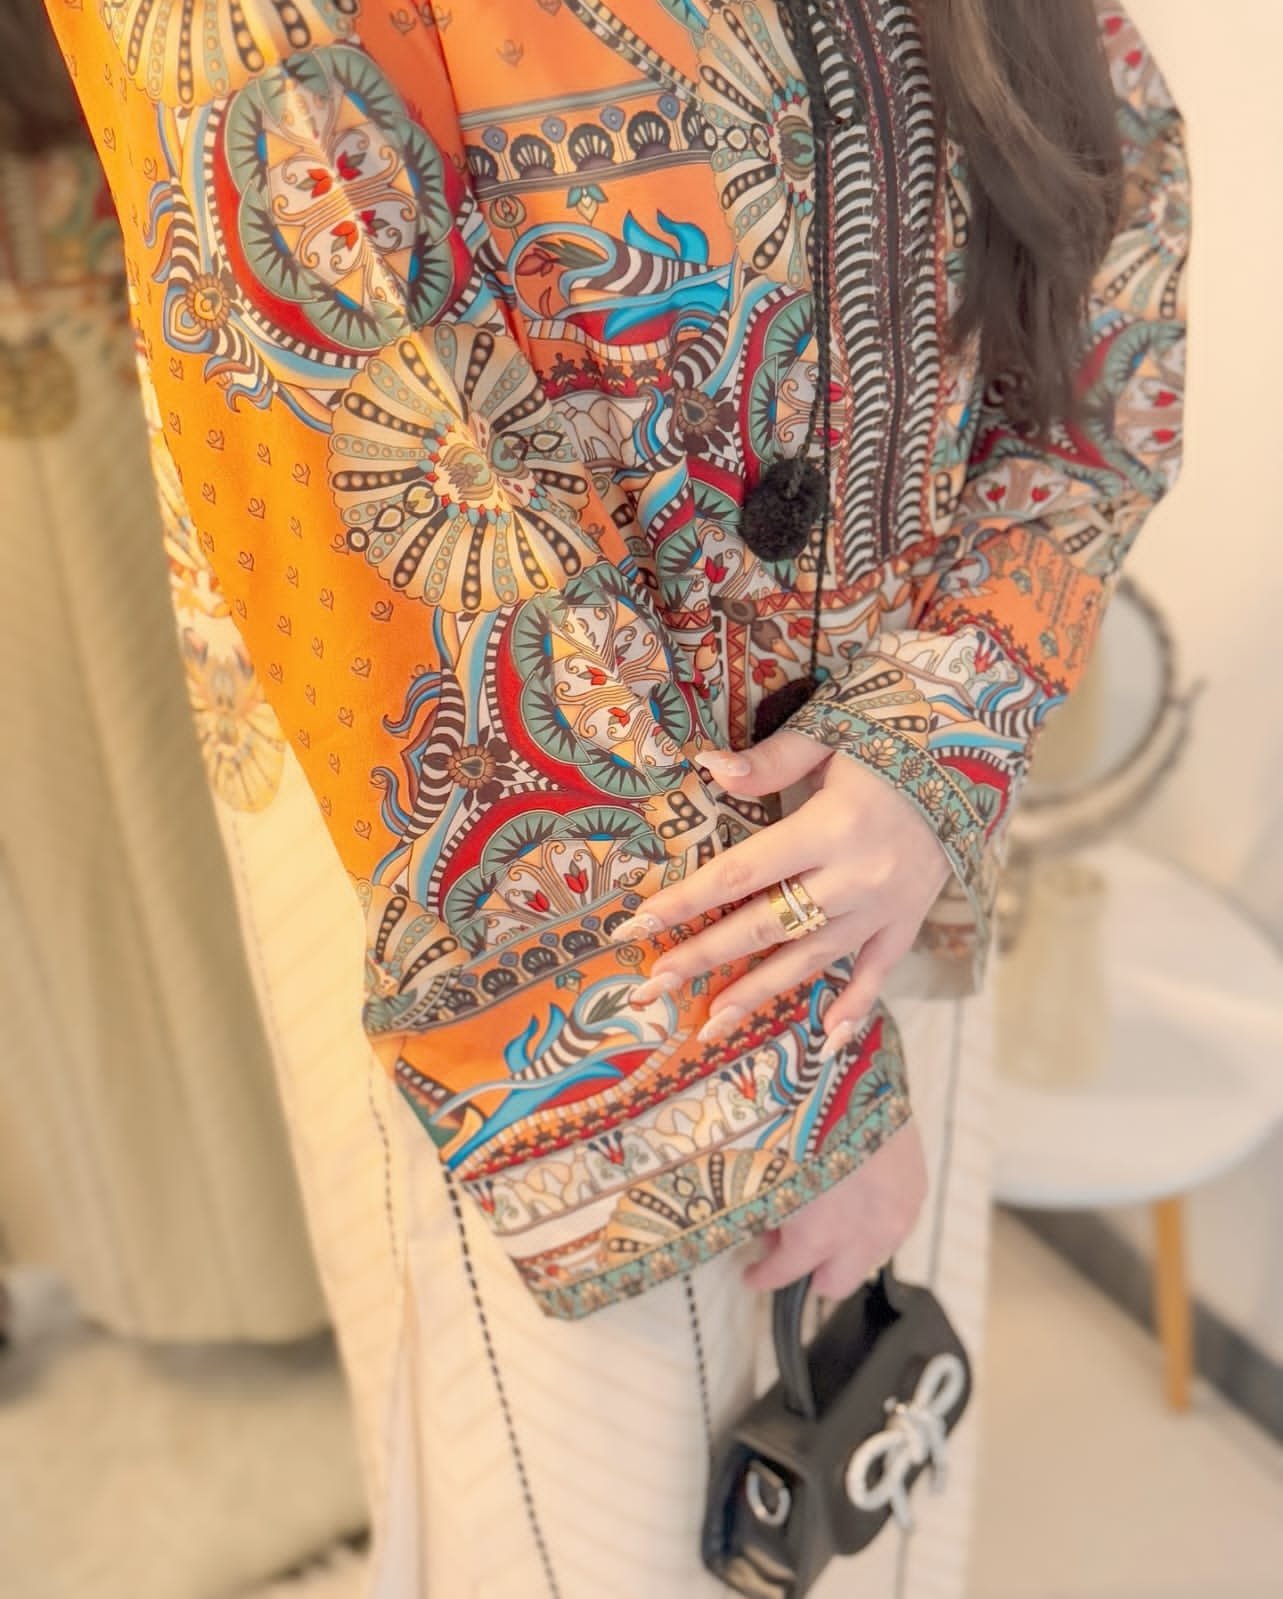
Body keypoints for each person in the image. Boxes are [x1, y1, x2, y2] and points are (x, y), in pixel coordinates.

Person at [42, 0, 1188, 1593]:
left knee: (860, 1484)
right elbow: (377, 465)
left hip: (906, 823)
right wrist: (788, 1096)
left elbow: (1114, 212)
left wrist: (948, 725)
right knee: (589, 1525)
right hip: (564, 941)